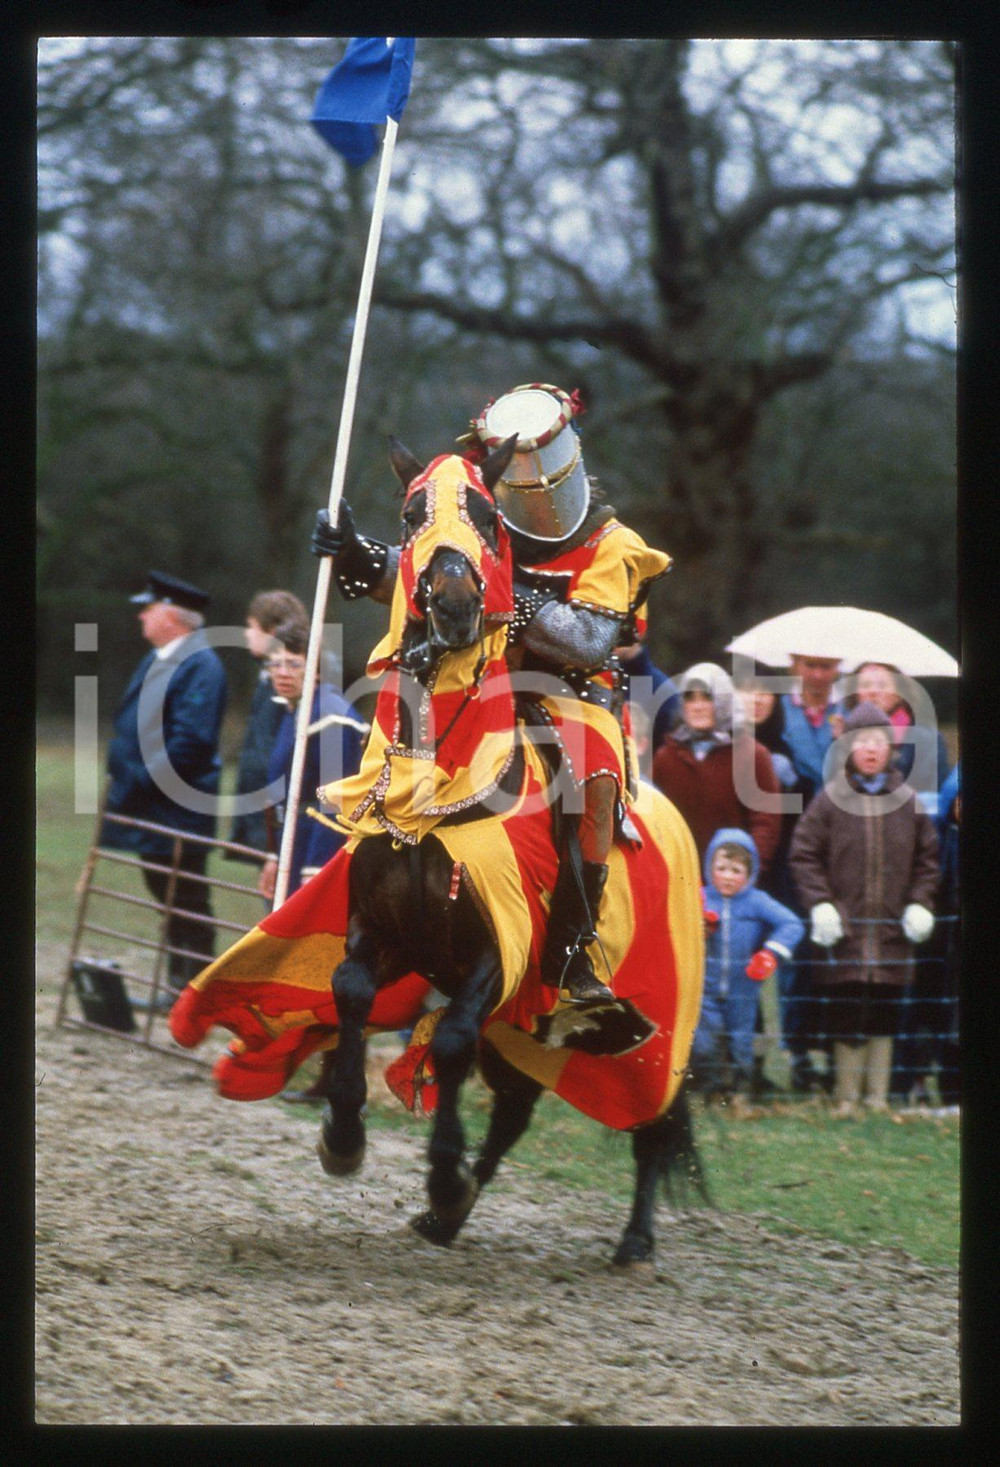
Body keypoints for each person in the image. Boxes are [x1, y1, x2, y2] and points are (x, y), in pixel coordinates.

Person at [310, 383, 672, 1007]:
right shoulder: (475, 514)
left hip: (572, 691)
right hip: (485, 671)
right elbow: (424, 570)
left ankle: (571, 945)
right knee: (401, 741)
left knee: (594, 772)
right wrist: (354, 552)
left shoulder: (612, 544)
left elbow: (587, 641)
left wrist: (509, 596)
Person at [788, 702, 940, 1118]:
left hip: (892, 935)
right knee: (846, 1012)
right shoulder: (830, 800)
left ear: (891, 747)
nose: (870, 749)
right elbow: (803, 855)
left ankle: (876, 1097)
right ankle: (846, 1097)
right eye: (861, 742)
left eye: (878, 741)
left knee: (885, 1014)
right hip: (846, 934)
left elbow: (929, 860)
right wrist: (820, 902)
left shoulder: (909, 802)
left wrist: (920, 902)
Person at [101, 571, 227, 1008]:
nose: (141, 615)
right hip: (154, 806)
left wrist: (136, 780)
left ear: (172, 615)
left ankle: (194, 992)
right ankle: (181, 988)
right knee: (167, 894)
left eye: (149, 607)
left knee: (185, 897)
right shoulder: (163, 656)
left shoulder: (201, 665)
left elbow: (189, 742)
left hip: (175, 807)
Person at [691, 828, 804, 1114]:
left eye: (737, 870)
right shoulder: (698, 898)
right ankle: (712, 1093)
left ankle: (741, 1093)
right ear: (709, 867)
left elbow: (792, 924)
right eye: (722, 868)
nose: (728, 876)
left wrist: (771, 952)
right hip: (705, 988)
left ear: (750, 872)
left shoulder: (756, 901)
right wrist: (698, 928)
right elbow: (671, 924)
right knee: (706, 1041)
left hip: (744, 989)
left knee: (742, 1041)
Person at [256, 619, 367, 903]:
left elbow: (335, 799)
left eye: (293, 664)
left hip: (314, 849)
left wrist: (314, 868)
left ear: (316, 670)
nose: (282, 673)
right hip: (289, 844)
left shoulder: (331, 718)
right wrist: (273, 854)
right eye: (275, 664)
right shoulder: (294, 709)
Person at [651, 662, 782, 873]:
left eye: (707, 697)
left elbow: (765, 823)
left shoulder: (752, 754)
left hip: (733, 882)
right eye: (689, 697)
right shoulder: (666, 757)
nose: (698, 705)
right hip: (678, 875)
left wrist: (746, 870)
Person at [227, 589, 309, 861]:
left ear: (272, 629)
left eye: (251, 627)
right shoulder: (267, 680)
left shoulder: (292, 690)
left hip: (276, 820)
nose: (246, 634)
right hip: (260, 817)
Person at [838, 661, 951, 817]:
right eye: (865, 685)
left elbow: (936, 800)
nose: (873, 691)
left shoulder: (926, 739)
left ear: (900, 693)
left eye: (883, 685)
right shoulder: (843, 737)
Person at [780, 653, 844, 805]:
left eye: (826, 667)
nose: (817, 675)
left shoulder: (848, 709)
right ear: (795, 666)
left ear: (837, 669)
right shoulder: (779, 708)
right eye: (810, 665)